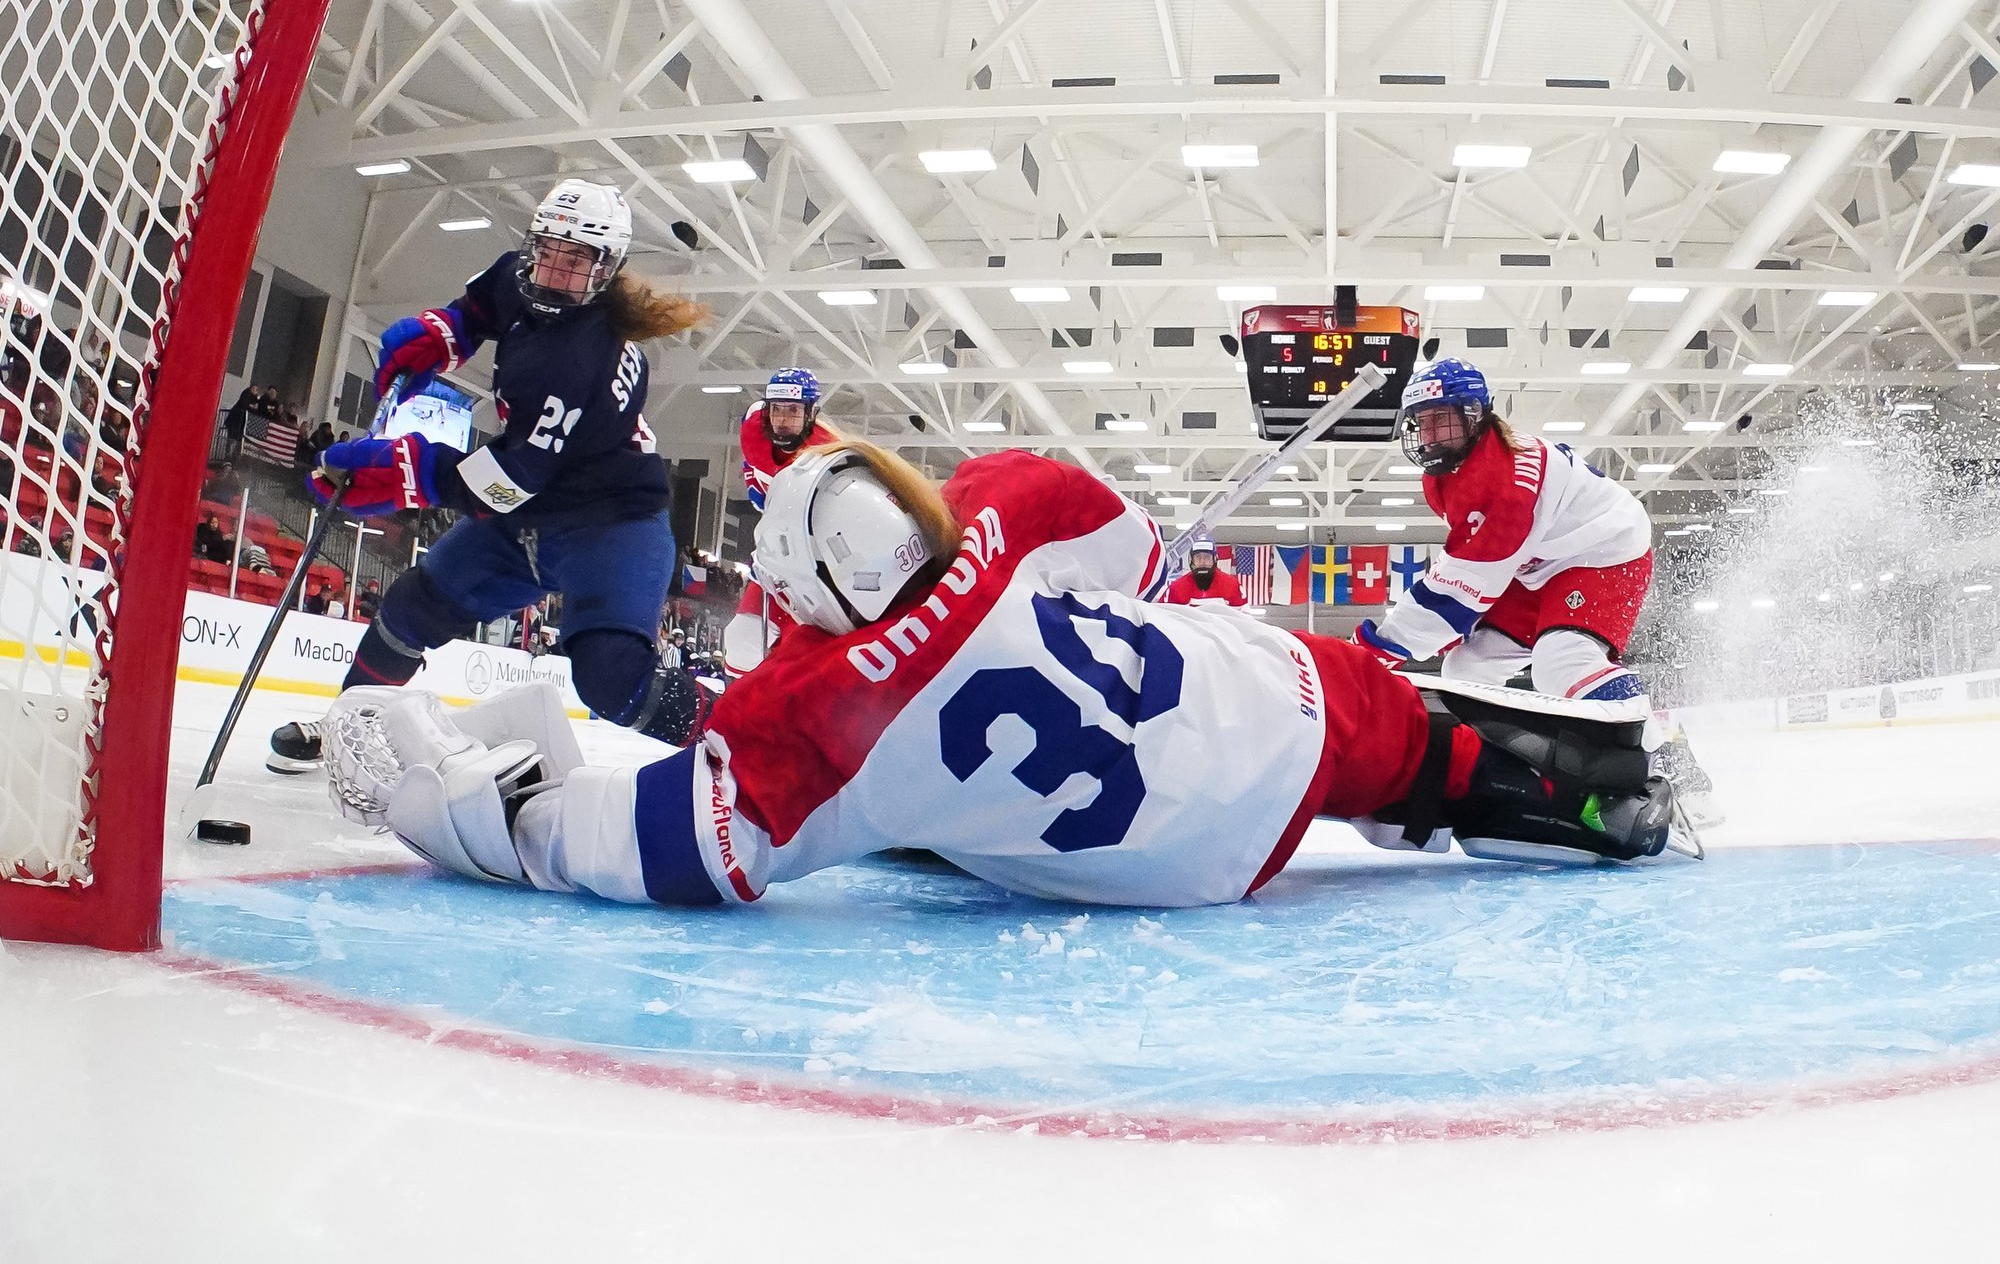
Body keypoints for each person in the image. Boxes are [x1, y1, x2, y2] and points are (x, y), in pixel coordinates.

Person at [327, 440, 1697, 912]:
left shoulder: (812, 714)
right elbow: (1141, 560)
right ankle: (1566, 783)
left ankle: (1487, 770)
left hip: (1173, 869)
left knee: (903, 817)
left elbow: (657, 846)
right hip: (1268, 704)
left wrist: (444, 800)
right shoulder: (998, 497)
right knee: (1398, 731)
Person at [265, 179, 711, 775]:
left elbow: (506, 481)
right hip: (531, 512)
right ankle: (349, 727)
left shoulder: (581, 358)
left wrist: (407, 470)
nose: (554, 270)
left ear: (606, 270)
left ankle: (747, 735)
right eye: (548, 249)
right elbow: (478, 310)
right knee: (410, 609)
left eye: (576, 260)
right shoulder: (520, 277)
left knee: (611, 677)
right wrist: (443, 335)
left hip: (608, 526)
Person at [1350, 357, 1719, 824]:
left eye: (1441, 419)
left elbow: (1461, 588)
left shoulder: (1507, 481)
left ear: (1474, 416)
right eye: (1422, 422)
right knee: (1467, 667)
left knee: (1562, 662)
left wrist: (1374, 650)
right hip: (1537, 565)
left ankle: (1667, 759)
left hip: (1602, 551)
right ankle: (1501, 774)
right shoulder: (1446, 475)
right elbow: (1473, 571)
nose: (1430, 434)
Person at [723, 367, 838, 677]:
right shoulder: (752, 424)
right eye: (777, 409)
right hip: (773, 561)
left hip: (815, 574)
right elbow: (753, 456)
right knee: (741, 641)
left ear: (811, 413)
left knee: (807, 656)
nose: (783, 419)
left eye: (793, 411)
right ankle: (739, 706)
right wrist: (752, 478)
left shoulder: (828, 455)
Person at [1161, 537, 1247, 608]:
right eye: (1198, 557)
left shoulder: (1231, 584)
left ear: (1214, 559)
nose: (1202, 561)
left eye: (1207, 557)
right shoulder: (1177, 587)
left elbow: (1243, 617)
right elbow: (1164, 615)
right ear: (1192, 560)